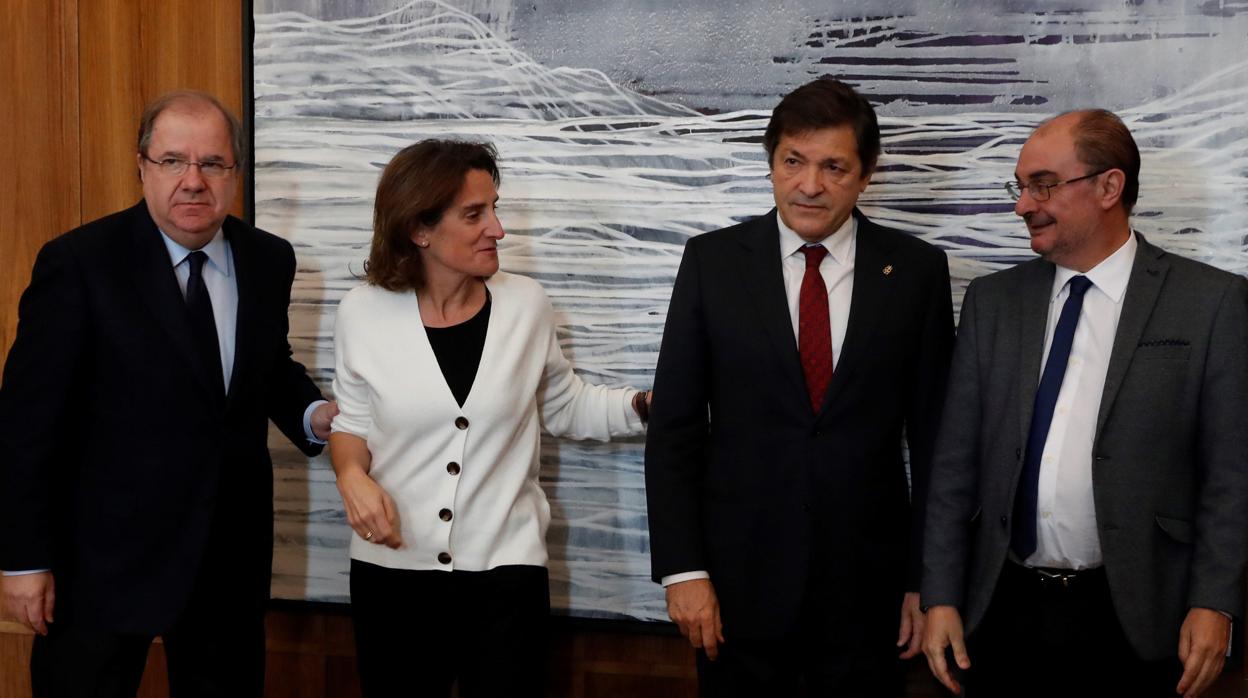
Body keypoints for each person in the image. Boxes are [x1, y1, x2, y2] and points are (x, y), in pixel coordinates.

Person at [0, 90, 338, 697]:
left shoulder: (268, 259)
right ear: (142, 166)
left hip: (226, 561)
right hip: (100, 565)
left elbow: (266, 366)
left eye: (212, 163)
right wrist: (24, 560)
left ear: (235, 172)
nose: (193, 180)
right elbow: (26, 425)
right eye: (173, 160)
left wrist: (315, 414)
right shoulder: (79, 263)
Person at [921, 109, 1248, 698]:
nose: (1024, 205)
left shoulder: (1212, 303)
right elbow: (953, 464)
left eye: (1044, 185)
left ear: (1108, 186)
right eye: (1021, 187)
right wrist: (940, 594)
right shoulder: (993, 302)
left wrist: (1215, 601)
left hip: (1141, 616)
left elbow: (1232, 473)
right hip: (1002, 610)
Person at [644, 77, 955, 696]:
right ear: (772, 164)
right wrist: (683, 570)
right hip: (735, 594)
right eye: (794, 161)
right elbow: (676, 428)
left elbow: (936, 445)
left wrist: (928, 581)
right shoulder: (712, 262)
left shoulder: (916, 271)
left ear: (866, 175)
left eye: (834, 167)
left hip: (871, 598)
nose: (810, 185)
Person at [328, 138, 649, 697]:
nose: (497, 229)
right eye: (474, 214)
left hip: (507, 576)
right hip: (393, 575)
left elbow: (563, 405)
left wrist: (650, 407)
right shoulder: (362, 311)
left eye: (493, 209)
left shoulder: (527, 304)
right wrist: (351, 475)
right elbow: (350, 424)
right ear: (419, 229)